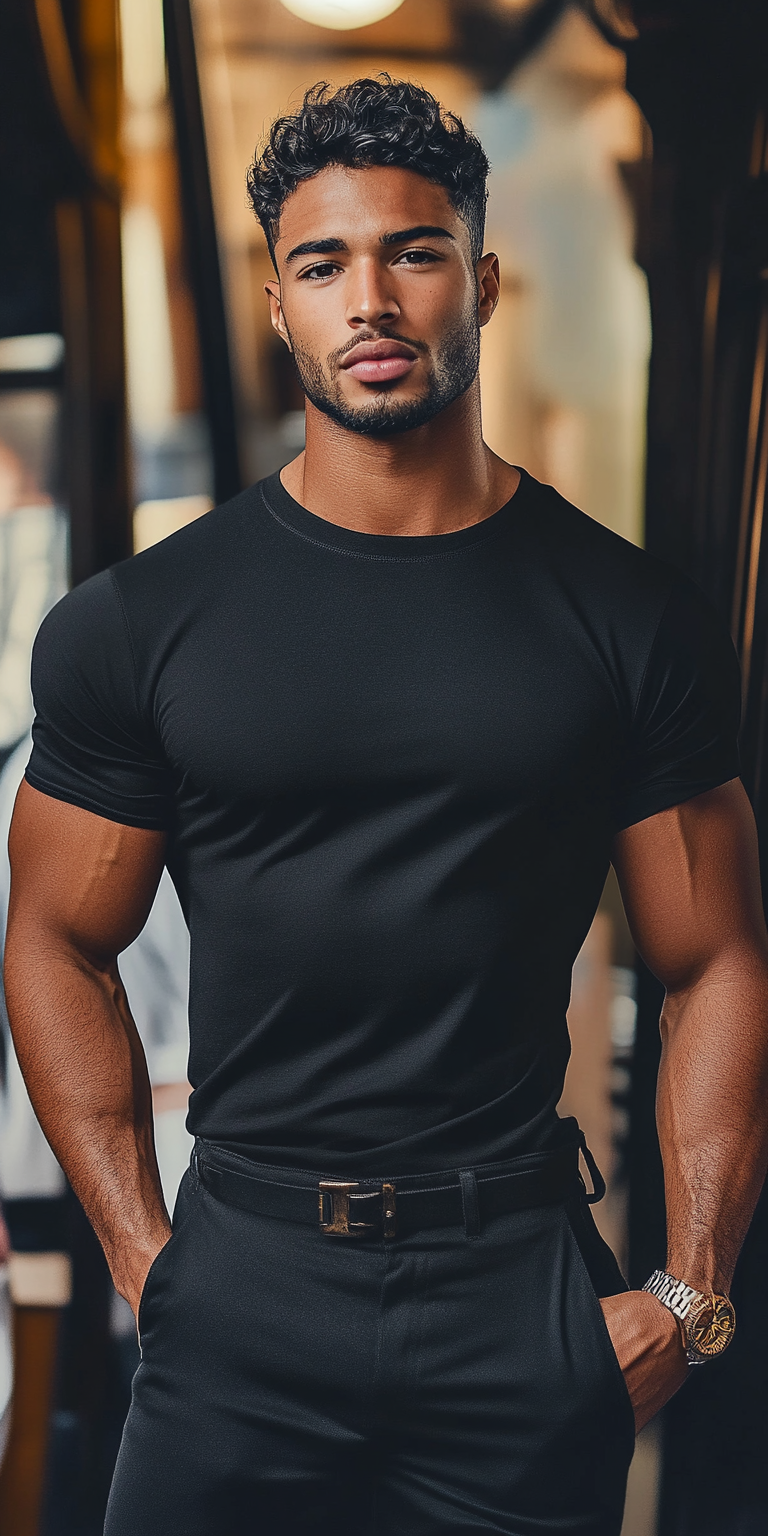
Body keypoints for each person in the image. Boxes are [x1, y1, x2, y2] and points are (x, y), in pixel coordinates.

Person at [4, 78, 768, 1536]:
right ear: (279, 304)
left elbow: (717, 954)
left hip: (515, 1294)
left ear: (477, 280)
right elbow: (51, 937)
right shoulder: (141, 625)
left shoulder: (625, 615)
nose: (372, 298)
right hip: (241, 1290)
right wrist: (140, 1253)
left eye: (413, 253)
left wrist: (690, 1293)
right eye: (322, 263)